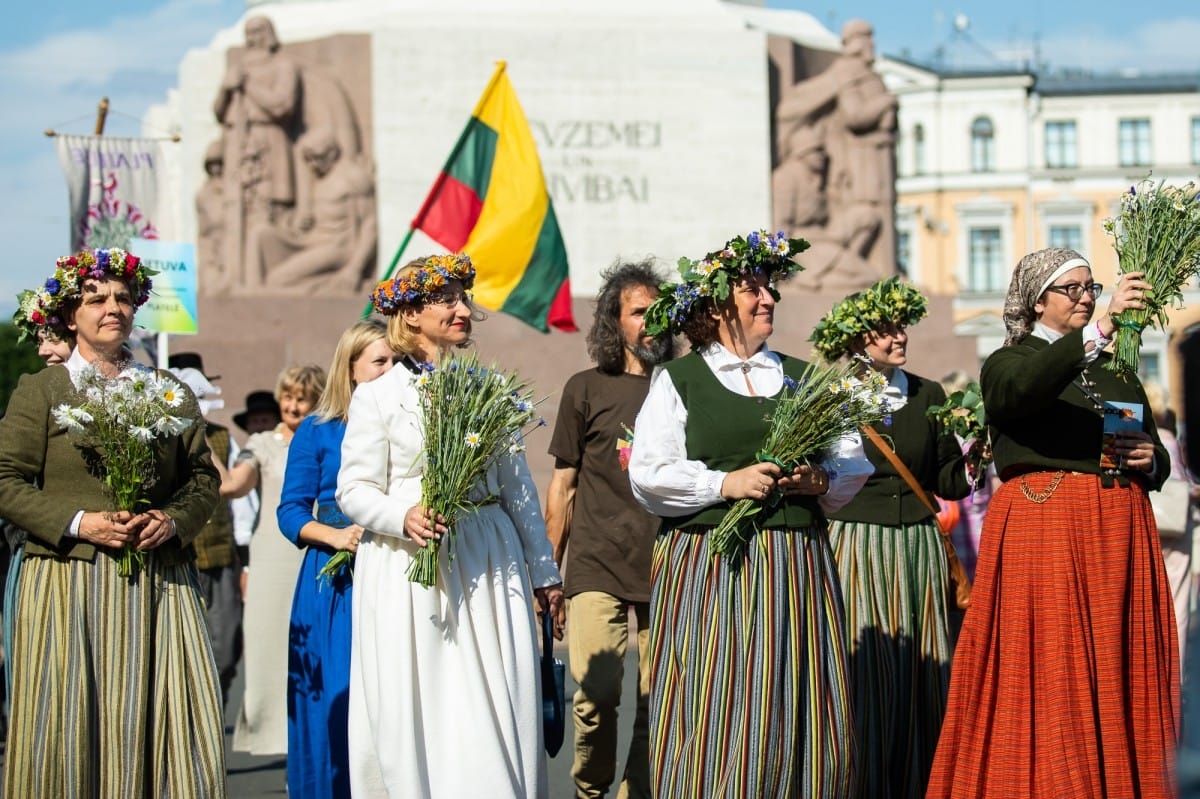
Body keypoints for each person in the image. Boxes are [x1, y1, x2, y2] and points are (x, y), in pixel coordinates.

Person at [628, 230, 873, 798]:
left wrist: (822, 481)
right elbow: (649, 474)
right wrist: (725, 483)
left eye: (770, 291)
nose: (767, 300)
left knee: (794, 694)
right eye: (751, 291)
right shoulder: (678, 379)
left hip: (794, 563)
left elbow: (851, 463)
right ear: (716, 307)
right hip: (713, 563)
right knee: (719, 695)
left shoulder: (804, 376)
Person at [927, 248, 1178, 797]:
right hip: (1051, 526)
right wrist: (1101, 329)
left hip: (1117, 530)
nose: (1088, 297)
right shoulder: (1009, 361)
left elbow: (1150, 452)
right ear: (1039, 301)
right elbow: (1019, 394)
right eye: (1075, 289)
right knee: (1053, 662)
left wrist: (1149, 460)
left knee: (1116, 665)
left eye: (1092, 287)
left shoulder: (1117, 372)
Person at [0, 247, 226, 796]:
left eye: (124, 298)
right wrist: (80, 521)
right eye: (96, 298)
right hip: (66, 578)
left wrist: (171, 523)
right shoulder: (43, 390)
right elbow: (6, 479)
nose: (113, 307)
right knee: (70, 717)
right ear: (69, 316)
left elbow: (203, 479)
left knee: (172, 717)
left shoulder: (167, 388)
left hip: (159, 579)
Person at [336, 254, 564, 798]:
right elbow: (353, 491)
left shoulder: (488, 389)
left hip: (488, 555)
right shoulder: (378, 394)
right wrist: (403, 516)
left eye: (465, 298)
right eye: (448, 299)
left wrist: (544, 573)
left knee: (490, 689)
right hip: (408, 564)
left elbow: (519, 491)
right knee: (423, 692)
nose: (463, 310)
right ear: (410, 313)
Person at [809, 276, 972, 799]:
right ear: (858, 340)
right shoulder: (835, 397)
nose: (898, 337)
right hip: (858, 544)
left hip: (918, 547)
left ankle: (922, 781)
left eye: (901, 327)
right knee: (869, 668)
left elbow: (947, 478)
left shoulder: (928, 392)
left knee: (925, 670)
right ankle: (863, 781)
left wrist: (976, 459)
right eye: (884, 330)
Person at [545, 260, 675, 799]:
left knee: (658, 703)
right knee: (596, 693)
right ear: (613, 322)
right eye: (638, 312)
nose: (651, 323)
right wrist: (548, 574)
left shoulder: (683, 388)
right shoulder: (585, 388)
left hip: (667, 563)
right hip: (596, 562)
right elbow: (563, 488)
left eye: (659, 312)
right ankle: (590, 791)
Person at [276, 319, 393, 798]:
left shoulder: (409, 423)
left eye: (396, 361)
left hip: (395, 574)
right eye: (380, 362)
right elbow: (290, 513)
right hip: (336, 582)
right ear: (351, 369)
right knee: (338, 703)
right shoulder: (318, 430)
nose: (391, 371)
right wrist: (339, 537)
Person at [221, 364, 326, 756]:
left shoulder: (330, 437)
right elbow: (232, 485)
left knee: (315, 651)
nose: (293, 405)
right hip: (270, 560)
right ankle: (278, 741)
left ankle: (315, 743)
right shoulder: (262, 443)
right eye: (287, 396)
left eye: (302, 397)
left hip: (317, 552)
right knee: (268, 651)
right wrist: (199, 438)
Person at [168, 352, 249, 704]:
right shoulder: (162, 433)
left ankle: (216, 700)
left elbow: (237, 496)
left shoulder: (220, 437)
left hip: (219, 556)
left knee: (228, 646)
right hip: (179, 558)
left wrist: (244, 557)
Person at [1143, 380, 1197, 667]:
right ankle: (1173, 676)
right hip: (1174, 523)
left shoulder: (1137, 433)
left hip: (1147, 520)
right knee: (1177, 601)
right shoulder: (1167, 438)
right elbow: (1178, 481)